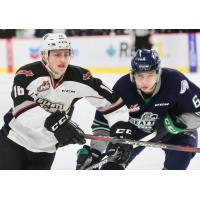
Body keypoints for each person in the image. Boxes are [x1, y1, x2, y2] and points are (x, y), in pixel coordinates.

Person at [0, 33, 132, 170]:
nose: (63, 59)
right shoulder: (28, 74)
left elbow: (112, 102)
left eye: (66, 54)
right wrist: (57, 124)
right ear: (45, 56)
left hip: (46, 149)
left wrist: (120, 130)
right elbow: (22, 108)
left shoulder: (80, 78)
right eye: (57, 55)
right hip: (13, 140)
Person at [77, 49, 200, 170]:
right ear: (132, 75)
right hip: (135, 132)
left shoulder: (176, 82)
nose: (144, 81)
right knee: (111, 167)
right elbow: (103, 124)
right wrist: (95, 152)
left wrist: (177, 123)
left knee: (178, 162)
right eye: (140, 75)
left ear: (158, 73)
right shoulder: (122, 88)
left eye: (150, 75)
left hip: (176, 133)